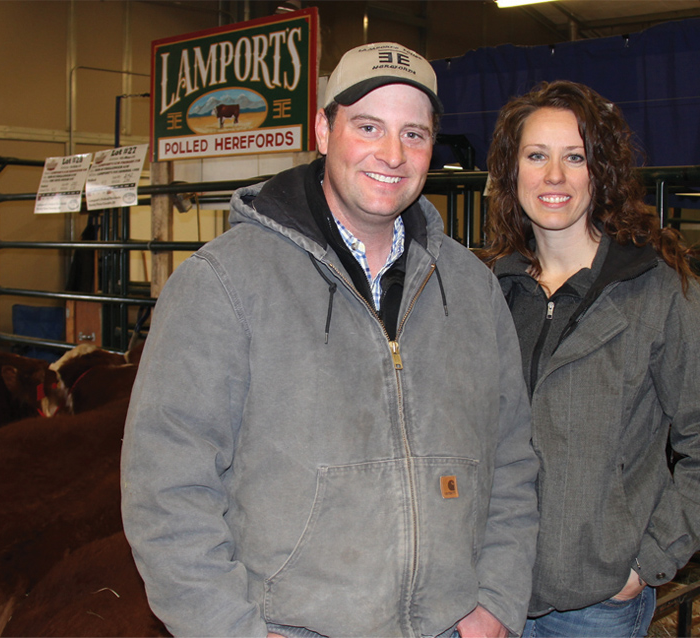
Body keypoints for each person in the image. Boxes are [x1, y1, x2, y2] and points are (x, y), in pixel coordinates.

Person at [121, 42, 539, 638]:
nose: (392, 154)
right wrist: (226, 628)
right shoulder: (223, 283)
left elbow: (513, 459)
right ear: (323, 129)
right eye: (368, 126)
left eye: (413, 134)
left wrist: (496, 600)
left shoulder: (470, 288)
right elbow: (166, 486)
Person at [482, 79, 700, 638]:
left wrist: (647, 560)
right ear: (512, 172)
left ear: (599, 172)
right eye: (536, 156)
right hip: (488, 594)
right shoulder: (487, 291)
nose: (554, 176)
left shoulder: (657, 290)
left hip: (597, 605)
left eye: (574, 157)